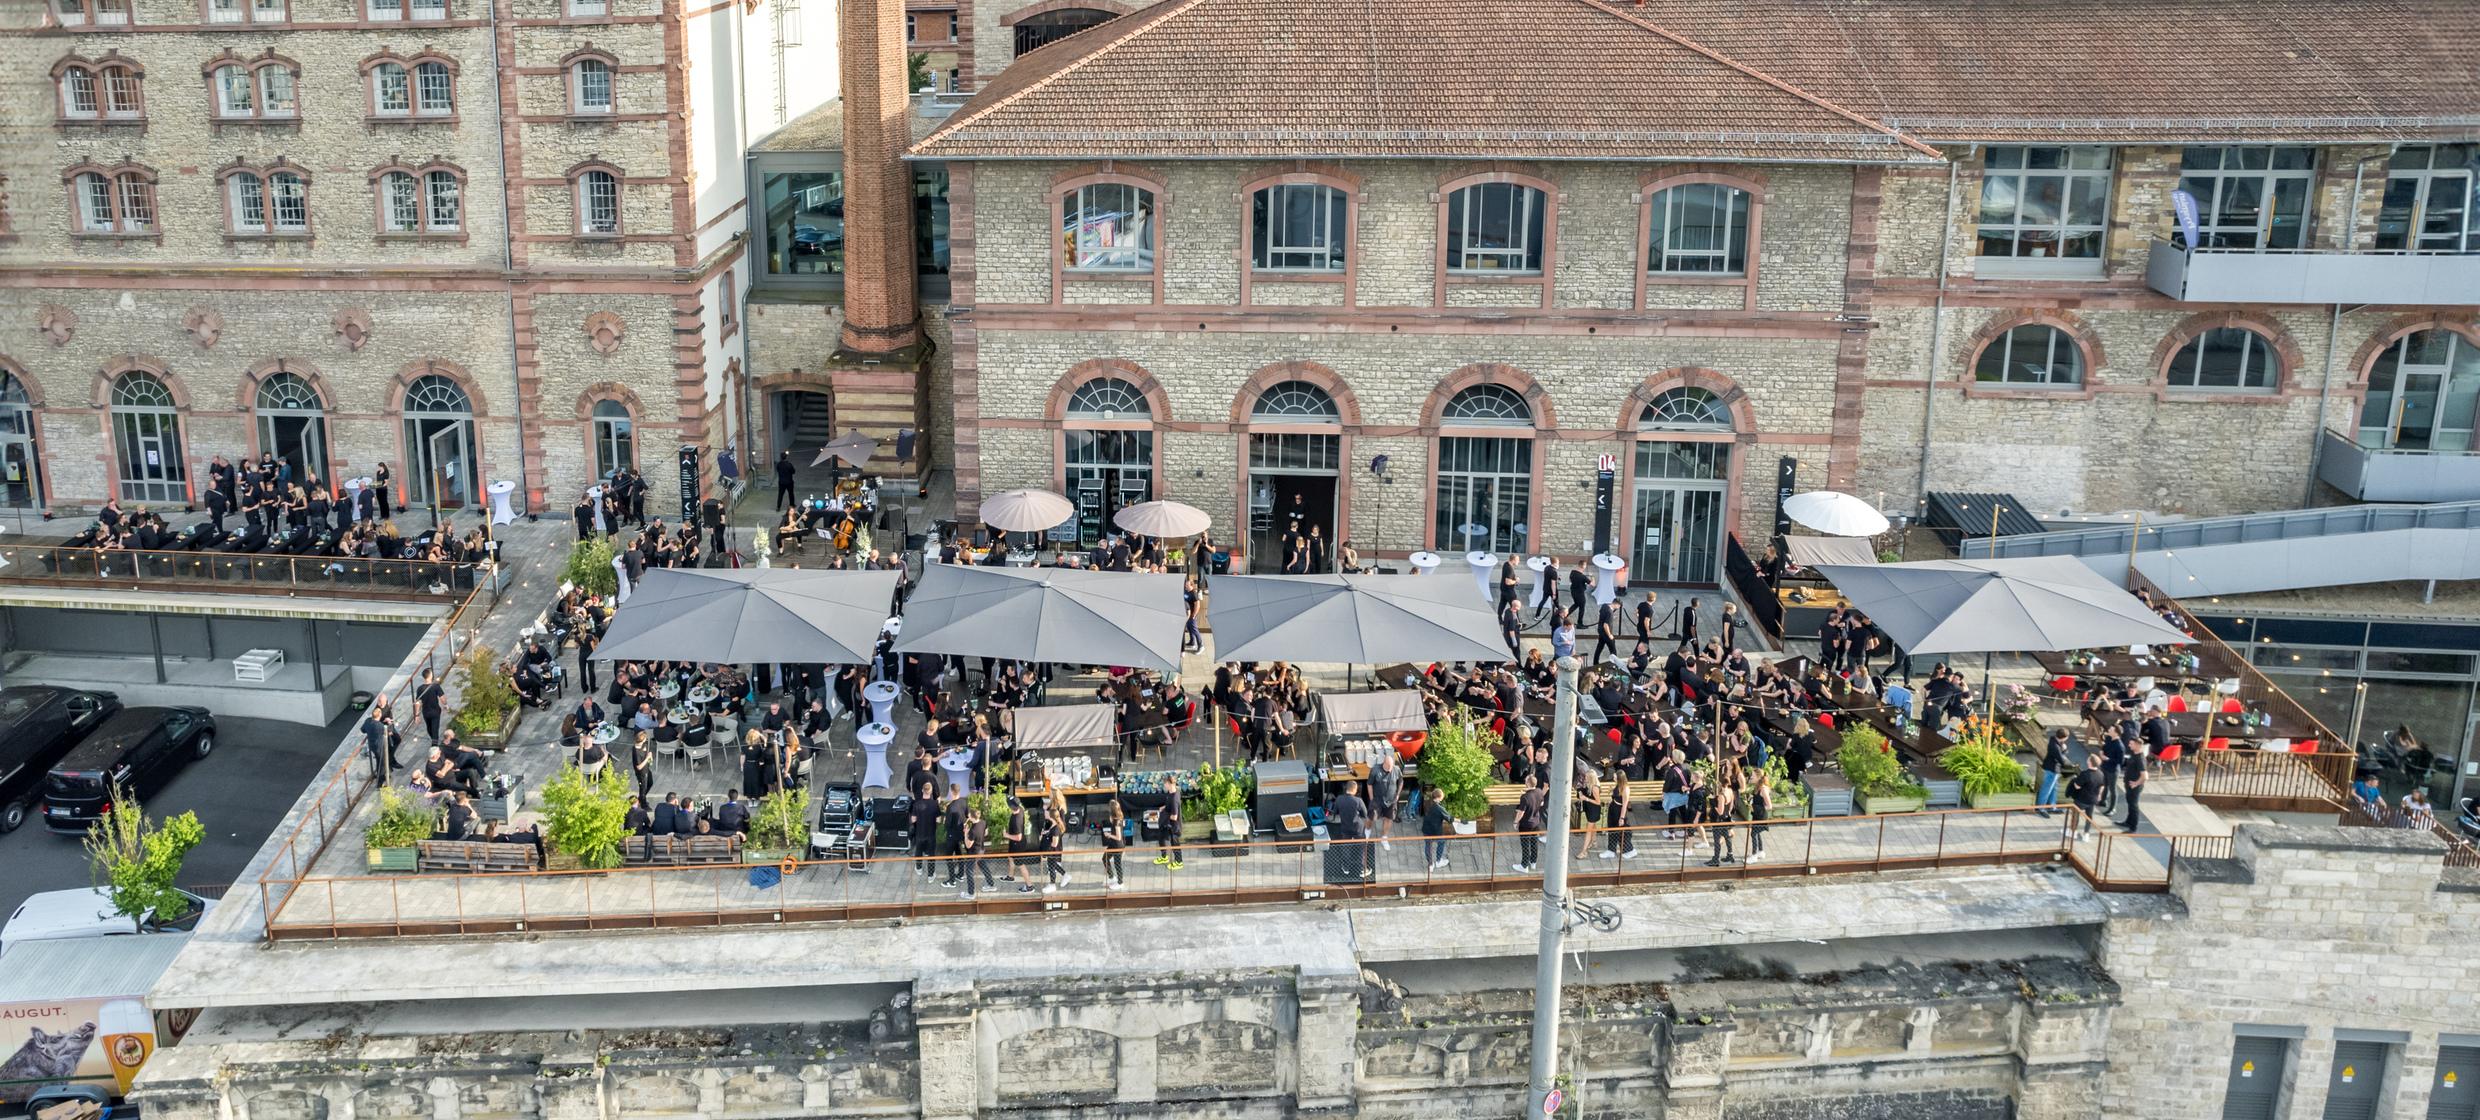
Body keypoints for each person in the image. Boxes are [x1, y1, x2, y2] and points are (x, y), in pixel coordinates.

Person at [1328, 780, 1369, 879]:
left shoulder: (1339, 799)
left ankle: (1346, 867)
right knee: (1361, 848)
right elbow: (1365, 814)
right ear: (1355, 790)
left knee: (1346, 847)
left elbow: (1335, 812)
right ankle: (1362, 870)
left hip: (1345, 827)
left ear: (1346, 788)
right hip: (1357, 828)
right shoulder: (1358, 800)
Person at [2066, 755, 2105, 840]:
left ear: (2090, 762)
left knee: (2075, 815)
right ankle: (2086, 834)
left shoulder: (2085, 774)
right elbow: (2102, 786)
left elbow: (2077, 786)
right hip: (2092, 800)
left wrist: (2074, 780)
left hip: (2081, 799)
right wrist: (2099, 795)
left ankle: (2073, 832)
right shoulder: (2100, 773)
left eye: (2088, 759)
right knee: (2089, 816)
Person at [1513, 773, 1546, 873]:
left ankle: (1524, 866)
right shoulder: (1539, 791)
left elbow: (1521, 813)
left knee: (1525, 844)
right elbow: (1541, 803)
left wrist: (1515, 822)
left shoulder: (1525, 797)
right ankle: (1533, 862)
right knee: (1534, 842)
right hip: (1536, 822)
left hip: (1526, 824)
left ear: (1527, 783)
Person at [1369, 754, 1402, 851]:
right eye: (1388, 767)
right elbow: (1369, 784)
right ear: (1384, 763)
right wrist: (1371, 799)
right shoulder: (1375, 770)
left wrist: (1398, 794)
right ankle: (1367, 832)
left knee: (1389, 819)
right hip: (1378, 800)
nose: (1390, 769)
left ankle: (1384, 837)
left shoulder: (1396, 769)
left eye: (1392, 767)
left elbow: (1401, 781)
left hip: (1391, 801)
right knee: (1371, 817)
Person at [2037, 729, 2071, 817]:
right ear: (2063, 738)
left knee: (2054, 788)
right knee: (2047, 789)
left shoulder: (2054, 741)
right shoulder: (2055, 746)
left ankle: (2052, 807)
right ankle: (2041, 808)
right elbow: (2062, 760)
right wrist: (2065, 750)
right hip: (2052, 769)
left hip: (2053, 769)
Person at [362, 702, 399, 782]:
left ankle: (387, 772)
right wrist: (389, 723)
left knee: (379, 761)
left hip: (372, 745)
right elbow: (390, 732)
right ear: (379, 715)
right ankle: (380, 781)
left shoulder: (368, 721)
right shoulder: (379, 726)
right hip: (380, 747)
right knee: (382, 763)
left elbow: (363, 730)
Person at [1037, 803, 1069, 892]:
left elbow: (1054, 844)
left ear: (1052, 817)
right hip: (1052, 851)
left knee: (1051, 867)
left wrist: (1046, 846)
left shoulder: (1055, 829)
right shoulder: (1052, 824)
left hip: (1053, 851)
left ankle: (1053, 884)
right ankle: (1064, 875)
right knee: (1052, 865)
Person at [1603, 772, 1634, 859]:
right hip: (1613, 808)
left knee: (1622, 831)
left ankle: (1628, 850)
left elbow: (1625, 804)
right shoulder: (1618, 785)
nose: (1614, 779)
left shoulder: (1625, 789)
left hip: (1619, 810)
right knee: (1612, 829)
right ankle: (1611, 850)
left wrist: (1622, 818)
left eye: (1615, 778)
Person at [1155, 782, 1185, 870]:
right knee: (1161, 837)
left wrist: (1165, 815)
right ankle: (1164, 857)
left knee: (1175, 844)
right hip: (1166, 823)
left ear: (1171, 784)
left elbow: (1174, 817)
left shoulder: (1174, 799)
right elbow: (1169, 804)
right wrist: (1164, 807)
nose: (1164, 785)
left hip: (1173, 826)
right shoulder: (1172, 792)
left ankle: (1179, 862)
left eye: (1166, 784)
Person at [1419, 786, 1450, 870]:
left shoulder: (1428, 802)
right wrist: (1459, 820)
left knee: (1428, 846)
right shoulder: (1439, 808)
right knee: (1441, 842)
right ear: (1439, 797)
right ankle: (1438, 861)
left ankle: (1430, 864)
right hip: (1436, 831)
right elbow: (1450, 818)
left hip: (1426, 829)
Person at [2119, 743, 2148, 831]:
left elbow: (2145, 776)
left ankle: (2133, 826)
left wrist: (2136, 783)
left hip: (2134, 787)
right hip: (2129, 785)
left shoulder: (2140, 759)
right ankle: (2128, 821)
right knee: (2130, 804)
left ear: (2138, 745)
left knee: (2133, 805)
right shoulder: (2133, 754)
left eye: (2132, 744)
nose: (2129, 745)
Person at [1099, 801, 1128, 890]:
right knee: (1105, 858)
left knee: (1117, 864)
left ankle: (1120, 882)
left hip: (1117, 846)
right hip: (1113, 844)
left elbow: (1118, 837)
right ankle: (1111, 877)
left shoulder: (1116, 821)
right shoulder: (1118, 817)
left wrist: (1109, 835)